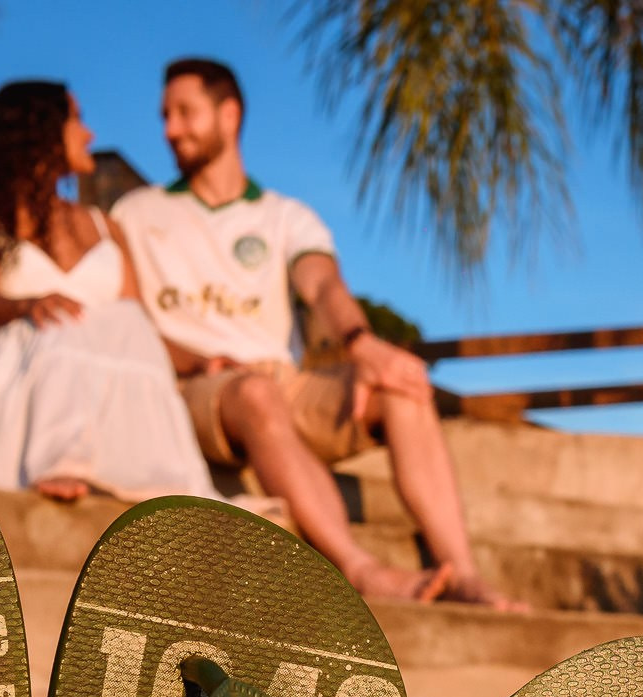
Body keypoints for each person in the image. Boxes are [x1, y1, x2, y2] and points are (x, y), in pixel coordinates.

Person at [112, 58, 523, 608]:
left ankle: (464, 573)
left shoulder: (286, 216)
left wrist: (365, 345)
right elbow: (125, 314)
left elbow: (323, 285)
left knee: (399, 382)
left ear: (229, 115)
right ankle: (360, 569)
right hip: (195, 388)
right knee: (254, 392)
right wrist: (194, 359)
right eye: (166, 115)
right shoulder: (136, 212)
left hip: (284, 384)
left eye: (186, 113)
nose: (170, 129)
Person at [0, 81, 221, 504]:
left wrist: (202, 362)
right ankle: (61, 458)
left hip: (113, 373)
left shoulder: (104, 225)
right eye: (76, 119)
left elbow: (139, 326)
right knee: (59, 324)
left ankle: (152, 475)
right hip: (28, 357)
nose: (89, 134)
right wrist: (28, 304)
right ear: (37, 131)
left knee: (124, 320)